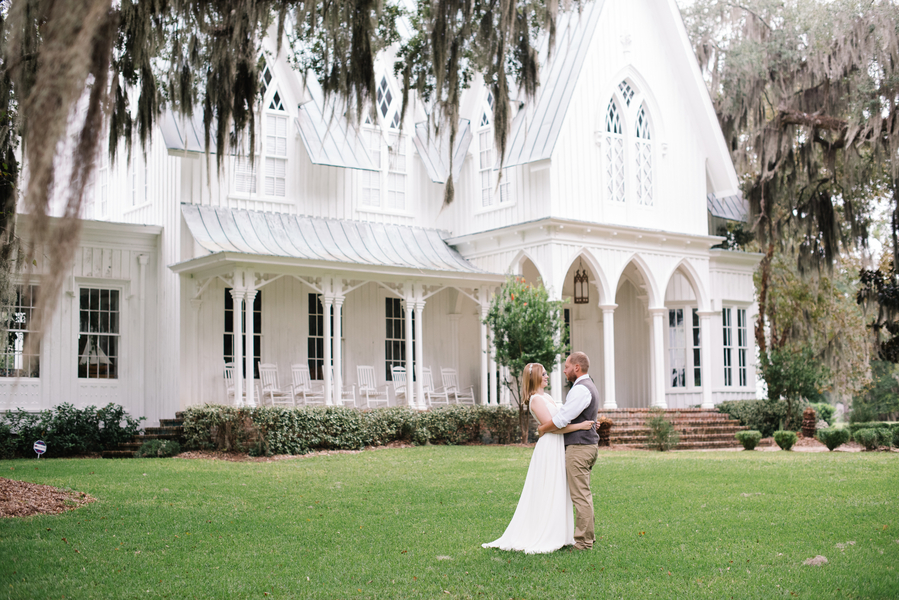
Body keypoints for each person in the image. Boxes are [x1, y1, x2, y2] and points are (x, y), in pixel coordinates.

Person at [482, 363, 595, 554]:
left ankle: (561, 532)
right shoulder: (535, 400)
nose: (547, 376)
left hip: (558, 445)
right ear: (534, 377)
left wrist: (587, 423)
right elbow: (552, 427)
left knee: (559, 488)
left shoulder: (547, 397)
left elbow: (563, 418)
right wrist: (581, 426)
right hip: (550, 447)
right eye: (543, 374)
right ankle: (544, 531)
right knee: (548, 487)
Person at [536, 351, 600, 550]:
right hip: (585, 446)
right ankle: (588, 536)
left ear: (576, 368)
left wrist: (542, 428)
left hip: (580, 448)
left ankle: (583, 542)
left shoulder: (581, 389)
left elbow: (562, 419)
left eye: (566, 367)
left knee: (580, 495)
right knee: (583, 494)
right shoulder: (585, 387)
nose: (564, 371)